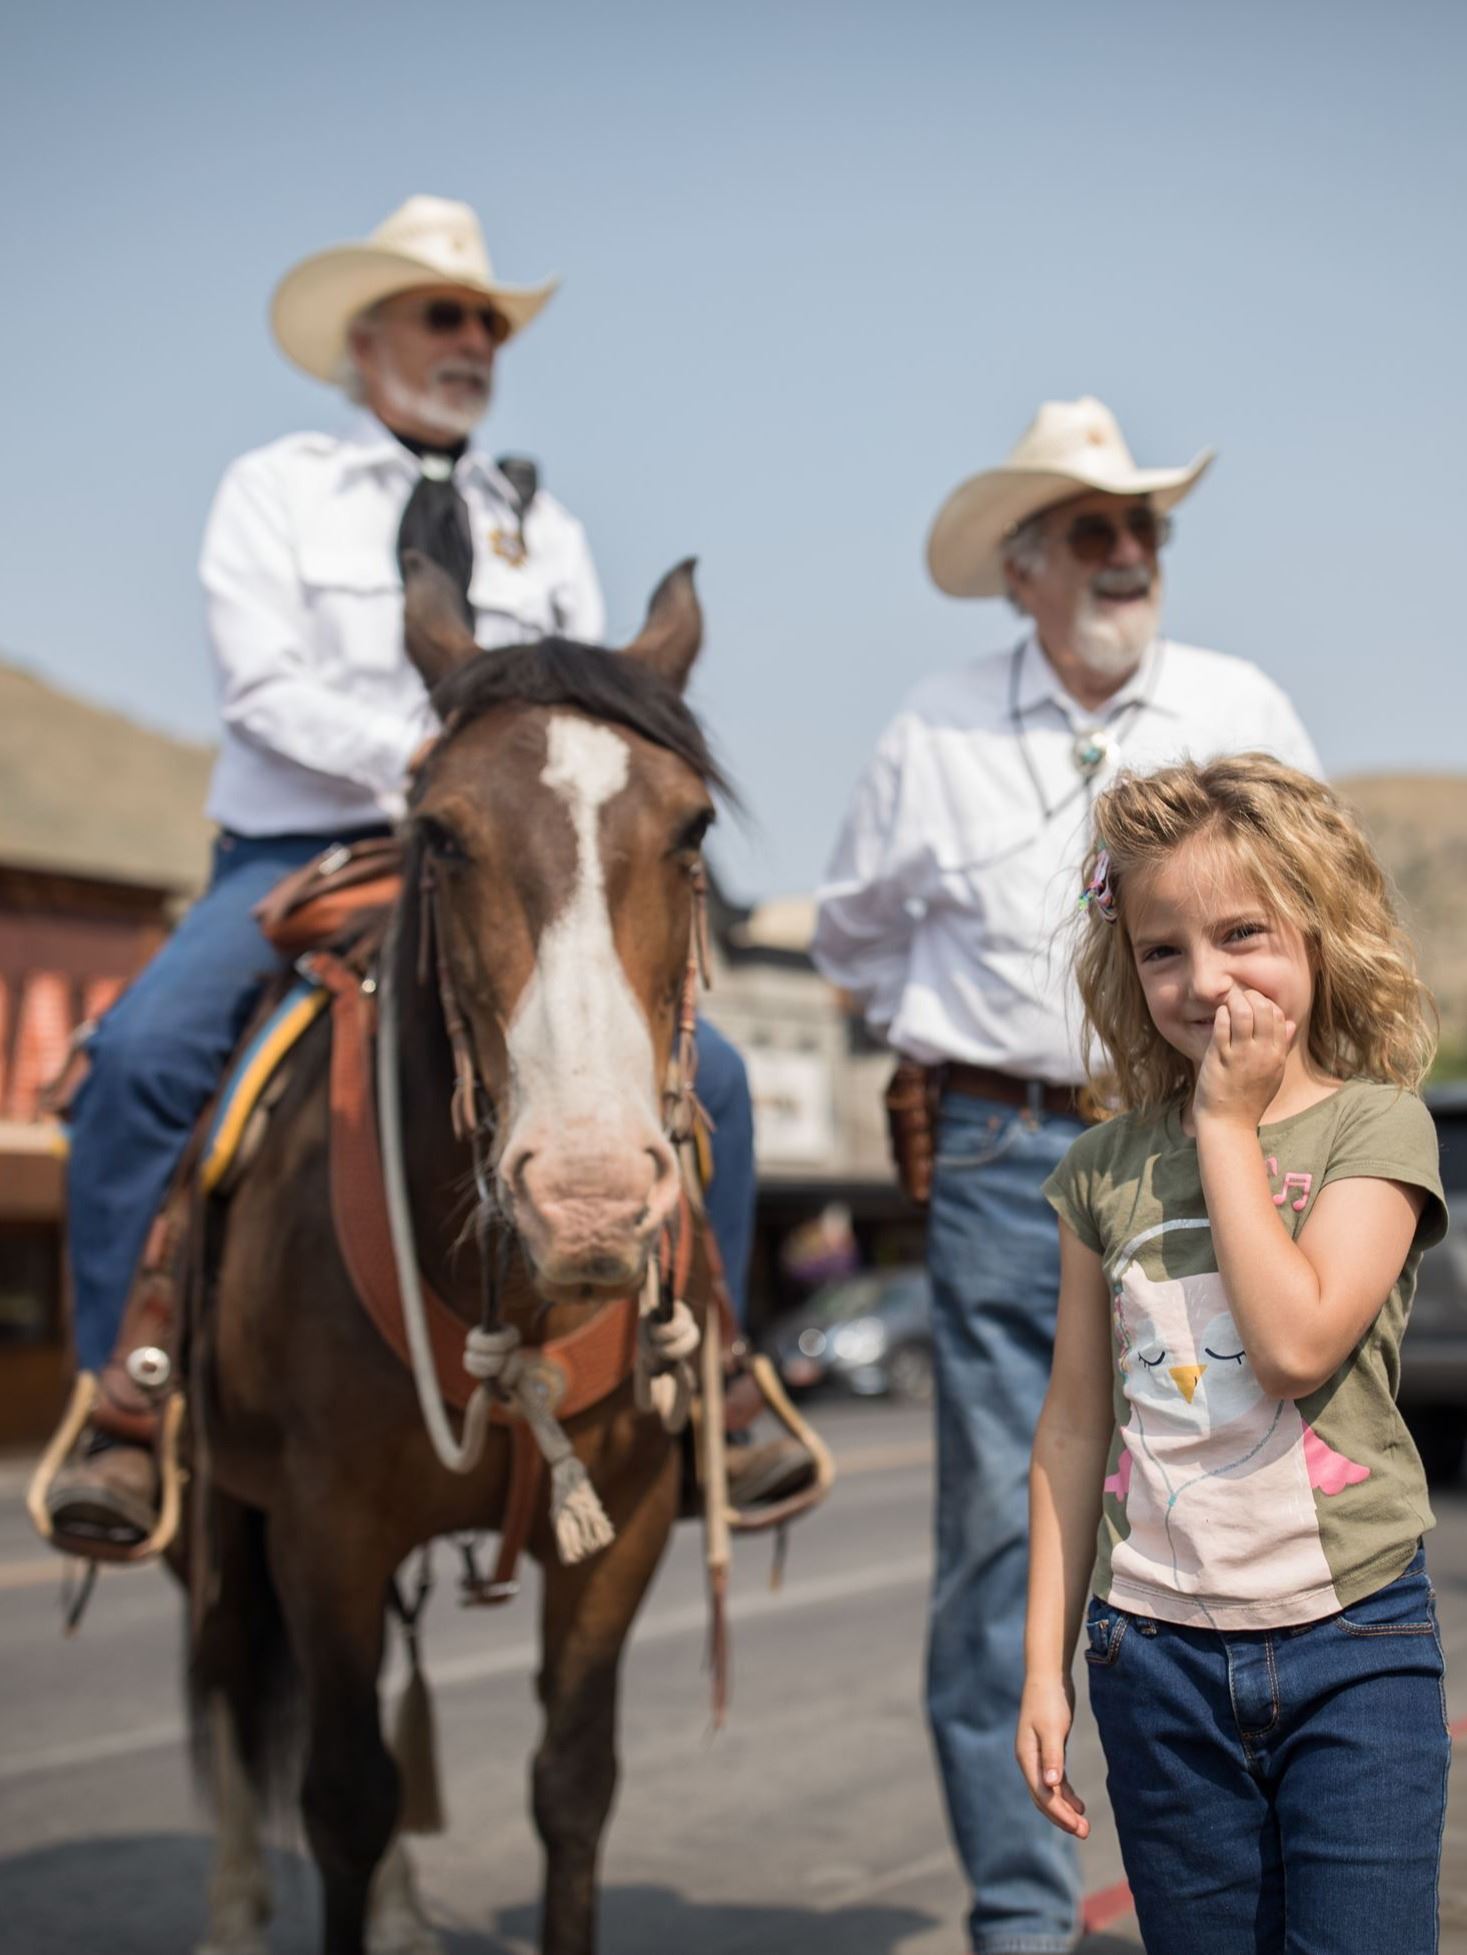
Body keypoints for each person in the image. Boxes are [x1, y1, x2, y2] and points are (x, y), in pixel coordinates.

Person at [47, 194, 782, 1548]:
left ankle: (714, 1368)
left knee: (718, 1077)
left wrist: (505, 794)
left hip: (509, 854)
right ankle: (129, 1394)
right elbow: (258, 686)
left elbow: (576, 719)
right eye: (446, 315)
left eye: (487, 321)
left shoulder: (532, 518)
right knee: (145, 1053)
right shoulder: (274, 487)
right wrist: (431, 769)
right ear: (365, 334)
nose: (473, 341)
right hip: (304, 846)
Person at [811, 397, 1321, 1955]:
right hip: (1001, 1150)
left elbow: (1320, 909)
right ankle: (1019, 1919)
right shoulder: (932, 728)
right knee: (997, 1534)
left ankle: (1254, 1885)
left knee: (1249, 1509)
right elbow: (850, 934)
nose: (1125, 553)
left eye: (1142, 527)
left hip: (1206, 1140)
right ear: (1021, 567)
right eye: (1091, 531)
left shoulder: (1240, 704)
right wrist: (961, 1035)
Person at [1022, 755, 1450, 1955]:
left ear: (1319, 927)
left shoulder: (1377, 1125)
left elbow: (1294, 1342)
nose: (1204, 979)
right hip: (1152, 1660)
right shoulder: (1100, 1171)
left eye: (1243, 933)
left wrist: (1224, 1121)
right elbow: (1068, 1427)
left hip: (1351, 1648)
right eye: (1163, 948)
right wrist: (1044, 1668)